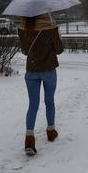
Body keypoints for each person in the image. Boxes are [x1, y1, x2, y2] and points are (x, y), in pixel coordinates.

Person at [17, 13, 64, 155]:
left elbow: (25, 51)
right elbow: (59, 50)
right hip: (48, 70)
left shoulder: (23, 27)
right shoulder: (50, 28)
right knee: (49, 101)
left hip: (31, 71)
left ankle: (29, 138)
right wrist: (57, 34)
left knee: (33, 105)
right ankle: (51, 131)